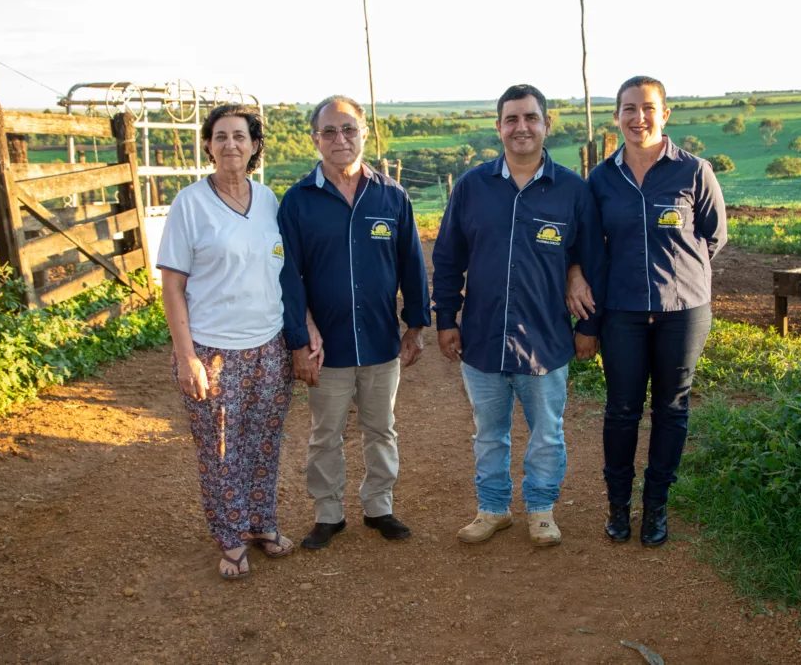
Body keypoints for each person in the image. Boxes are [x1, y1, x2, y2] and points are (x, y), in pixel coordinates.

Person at [432, 84, 606, 547]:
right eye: (511, 119)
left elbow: (591, 261)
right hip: (483, 338)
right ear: (498, 127)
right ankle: (492, 509)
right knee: (489, 434)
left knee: (547, 433)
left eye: (530, 118)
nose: (521, 127)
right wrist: (445, 319)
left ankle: (542, 510)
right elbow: (448, 259)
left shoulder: (572, 190)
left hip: (546, 340)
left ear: (547, 125)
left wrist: (588, 327)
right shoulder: (472, 187)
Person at [569, 75, 727, 547]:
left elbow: (713, 238)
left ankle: (656, 507)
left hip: (683, 311)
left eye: (648, 108)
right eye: (629, 109)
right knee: (621, 411)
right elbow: (588, 246)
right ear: (616, 116)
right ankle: (619, 506)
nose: (639, 117)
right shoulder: (599, 180)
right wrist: (577, 278)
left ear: (665, 113)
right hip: (623, 312)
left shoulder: (695, 171)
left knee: (671, 410)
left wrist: (679, 274)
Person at [278, 95, 431, 550]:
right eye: (329, 131)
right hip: (327, 349)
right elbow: (287, 274)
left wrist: (416, 325)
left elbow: (412, 266)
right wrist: (300, 338)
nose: (339, 139)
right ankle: (328, 513)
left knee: (381, 427)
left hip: (381, 342)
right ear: (315, 140)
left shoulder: (391, 196)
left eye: (348, 129)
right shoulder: (298, 201)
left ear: (365, 133)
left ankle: (379, 506)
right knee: (325, 434)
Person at [157, 104, 296, 579]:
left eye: (240, 136)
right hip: (213, 350)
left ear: (255, 145)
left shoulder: (270, 200)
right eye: (221, 137)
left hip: (269, 345)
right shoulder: (190, 204)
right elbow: (172, 286)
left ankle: (262, 524)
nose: (231, 145)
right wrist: (186, 356)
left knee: (264, 442)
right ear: (209, 145)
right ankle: (231, 537)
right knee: (219, 450)